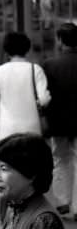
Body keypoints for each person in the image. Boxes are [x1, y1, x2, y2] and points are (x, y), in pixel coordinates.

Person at [41, 22, 77, 218]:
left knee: (60, 159)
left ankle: (63, 201)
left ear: (60, 40)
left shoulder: (50, 65)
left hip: (59, 121)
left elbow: (46, 96)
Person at [0, 31, 51, 140]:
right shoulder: (35, 69)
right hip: (32, 128)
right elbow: (44, 99)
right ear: (27, 49)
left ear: (6, 50)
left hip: (7, 129)